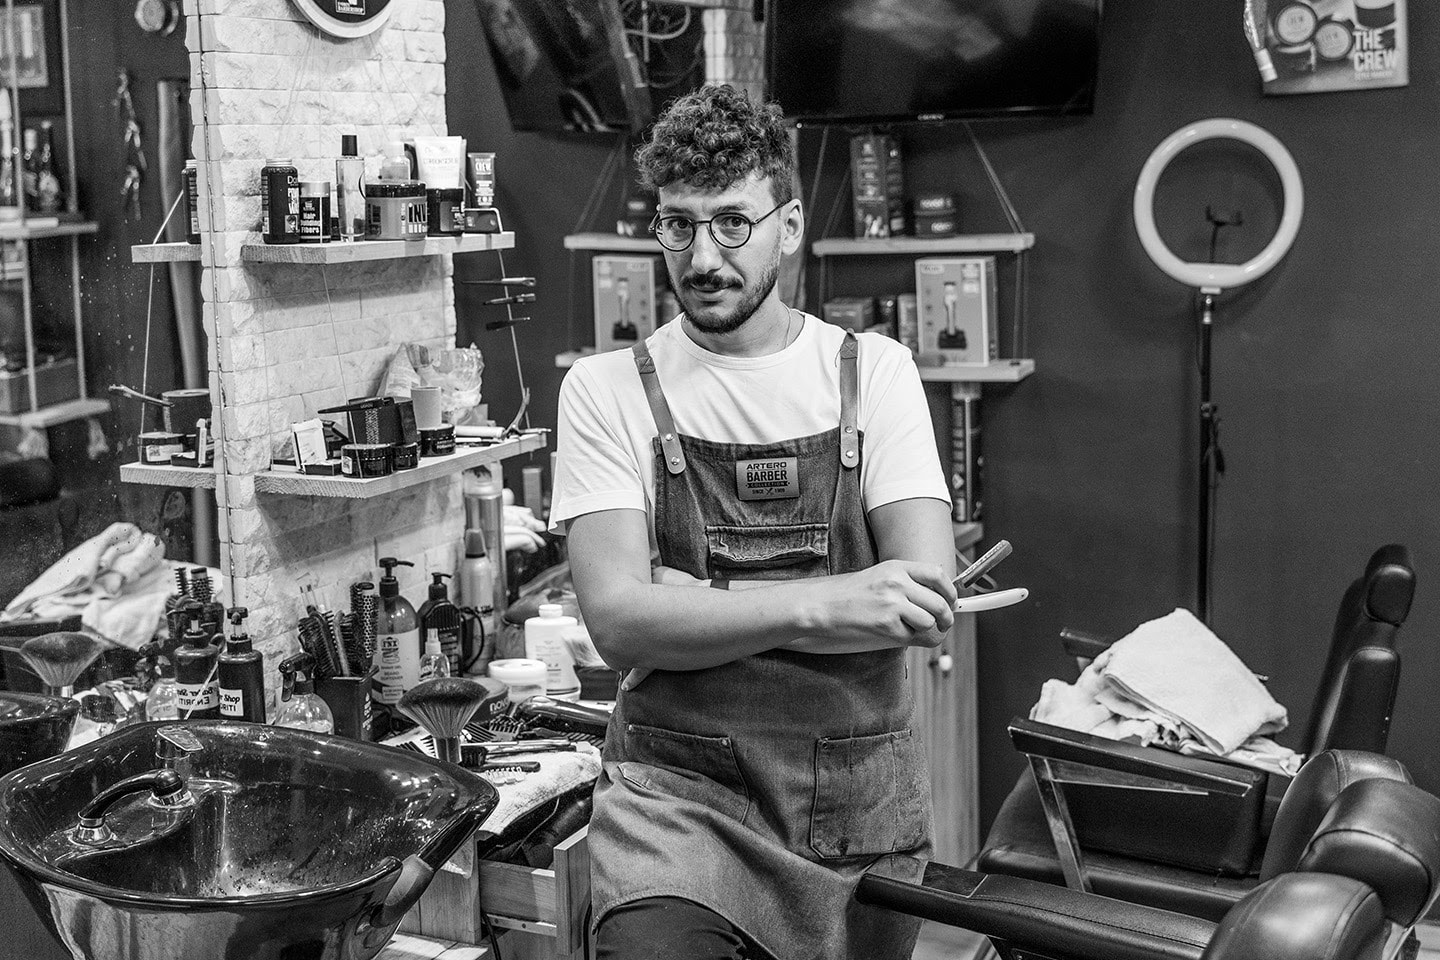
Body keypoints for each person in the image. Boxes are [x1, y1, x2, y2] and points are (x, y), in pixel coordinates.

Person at [550, 84, 957, 960]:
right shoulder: (605, 389)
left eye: (732, 222)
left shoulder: (874, 373)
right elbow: (620, 624)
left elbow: (916, 601)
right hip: (676, 804)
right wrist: (828, 602)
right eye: (677, 224)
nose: (702, 255)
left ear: (790, 224)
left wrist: (695, 602)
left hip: (856, 808)